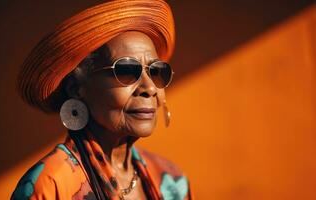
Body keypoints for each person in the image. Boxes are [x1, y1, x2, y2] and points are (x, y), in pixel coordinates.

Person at [12, 0, 193, 199]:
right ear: (77, 88)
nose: (150, 88)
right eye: (126, 70)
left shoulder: (173, 182)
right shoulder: (49, 186)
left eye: (156, 71)